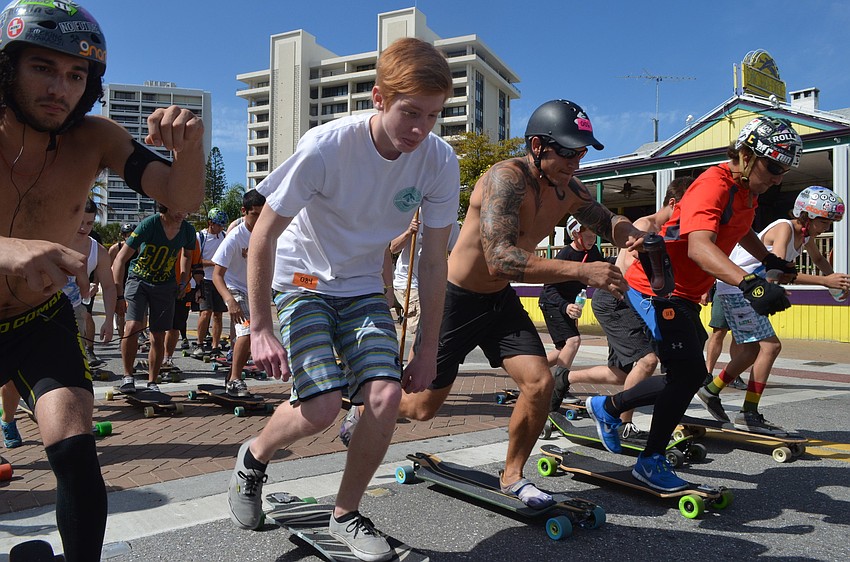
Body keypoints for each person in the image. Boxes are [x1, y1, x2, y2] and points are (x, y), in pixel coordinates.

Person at [345, 99, 644, 510]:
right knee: (423, 408)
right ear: (538, 145)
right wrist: (580, 272)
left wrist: (628, 231)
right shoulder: (506, 179)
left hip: (499, 301)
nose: (577, 161)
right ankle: (366, 409)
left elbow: (604, 218)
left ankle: (513, 476)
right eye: (569, 151)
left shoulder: (568, 186)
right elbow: (500, 258)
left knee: (539, 382)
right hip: (456, 299)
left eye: (583, 152)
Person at [230, 38, 459, 562]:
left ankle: (346, 514)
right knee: (323, 406)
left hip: (360, 288)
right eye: (410, 112)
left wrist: (427, 351)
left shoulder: (438, 161)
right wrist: (260, 326)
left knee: (384, 397)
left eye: (432, 115)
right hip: (302, 281)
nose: (420, 129)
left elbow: (432, 260)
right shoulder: (328, 145)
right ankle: (253, 457)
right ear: (379, 97)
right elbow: (263, 234)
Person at [0, 1, 204, 559]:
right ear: (8, 66)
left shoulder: (95, 137)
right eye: (43, 68)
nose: (58, 88)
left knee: (74, 447)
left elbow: (182, 198)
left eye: (75, 75)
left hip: (39, 318)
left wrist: (190, 147)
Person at [584, 116, 802, 492]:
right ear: (747, 156)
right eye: (774, 166)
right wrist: (750, 282)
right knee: (685, 373)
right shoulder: (712, 186)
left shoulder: (745, 192)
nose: (779, 178)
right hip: (655, 287)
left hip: (682, 292)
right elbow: (701, 248)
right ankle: (648, 460)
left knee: (685, 375)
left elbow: (741, 228)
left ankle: (607, 408)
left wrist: (767, 260)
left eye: (785, 170)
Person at [696, 186, 850, 433]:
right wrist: (824, 281)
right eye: (824, 222)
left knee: (749, 351)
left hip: (746, 290)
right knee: (771, 346)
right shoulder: (784, 229)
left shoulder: (806, 236)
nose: (826, 228)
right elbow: (775, 270)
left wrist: (837, 282)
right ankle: (748, 413)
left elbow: (818, 260)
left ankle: (710, 391)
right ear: (806, 217)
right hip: (739, 288)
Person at [565, 177, 694, 438]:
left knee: (622, 373)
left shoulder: (672, 230)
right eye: (689, 206)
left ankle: (563, 378)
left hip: (632, 302)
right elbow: (628, 273)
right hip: (617, 299)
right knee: (647, 362)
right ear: (673, 202)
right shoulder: (645, 226)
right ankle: (624, 424)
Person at [112, 205, 197, 393]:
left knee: (158, 334)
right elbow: (119, 259)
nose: (182, 214)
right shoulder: (149, 224)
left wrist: (183, 281)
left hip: (165, 285)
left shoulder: (188, 230)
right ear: (167, 205)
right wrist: (118, 295)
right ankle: (127, 377)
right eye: (178, 208)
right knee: (132, 326)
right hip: (139, 280)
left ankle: (153, 382)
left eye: (185, 210)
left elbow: (187, 255)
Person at [539, 215, 605, 407]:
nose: (594, 239)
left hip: (568, 305)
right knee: (573, 341)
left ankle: (530, 371)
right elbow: (548, 289)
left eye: (595, 235)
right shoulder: (564, 255)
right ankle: (558, 387)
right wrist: (565, 306)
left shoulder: (594, 252)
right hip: (552, 303)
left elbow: (601, 270)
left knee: (563, 349)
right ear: (576, 234)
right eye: (590, 235)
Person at [212, 189, 266, 396]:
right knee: (247, 330)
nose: (260, 220)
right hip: (235, 289)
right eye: (255, 215)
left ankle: (231, 376)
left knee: (251, 335)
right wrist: (229, 300)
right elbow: (217, 275)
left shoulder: (268, 233)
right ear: (244, 211)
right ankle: (235, 380)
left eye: (264, 215)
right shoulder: (235, 237)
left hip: (256, 290)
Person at [390, 212, 460, 364]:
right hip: (408, 282)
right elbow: (393, 248)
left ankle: (419, 367)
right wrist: (408, 232)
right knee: (421, 328)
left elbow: (455, 255)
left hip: (431, 283)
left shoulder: (451, 223)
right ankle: (413, 368)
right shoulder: (414, 217)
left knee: (430, 328)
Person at [192, 207, 229, 358]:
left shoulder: (225, 236)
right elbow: (195, 260)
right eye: (218, 225)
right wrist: (214, 263)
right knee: (205, 312)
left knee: (218, 314)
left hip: (220, 280)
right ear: (210, 223)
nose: (220, 228)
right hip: (205, 280)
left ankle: (215, 346)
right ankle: (199, 344)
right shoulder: (200, 237)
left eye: (222, 225)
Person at [163, 239, 204, 371]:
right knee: (159, 328)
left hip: (183, 290)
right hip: (161, 288)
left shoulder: (190, 237)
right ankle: (157, 357)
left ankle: (167, 358)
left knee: (176, 326)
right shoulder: (162, 231)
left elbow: (197, 265)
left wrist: (199, 288)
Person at [109, 222, 136, 338]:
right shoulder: (115, 248)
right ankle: (122, 338)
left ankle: (137, 335)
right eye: (126, 235)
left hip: (133, 281)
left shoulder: (139, 247)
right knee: (120, 312)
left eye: (131, 234)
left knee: (137, 311)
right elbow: (107, 267)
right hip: (119, 282)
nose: (128, 237)